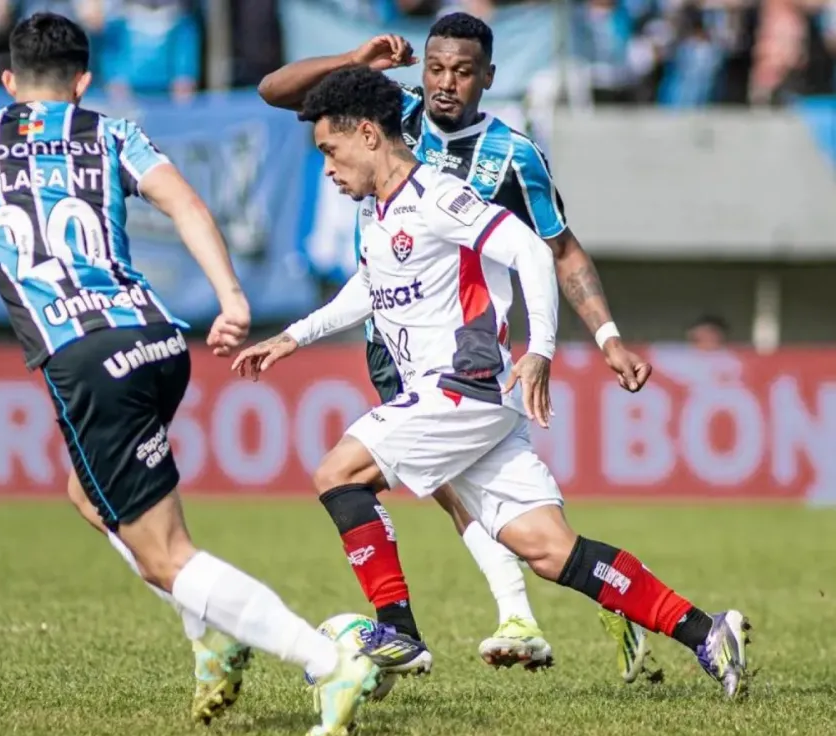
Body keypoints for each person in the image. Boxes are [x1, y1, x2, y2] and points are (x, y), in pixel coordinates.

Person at [0, 12, 412, 736]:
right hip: (158, 339)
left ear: (7, 81)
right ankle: (213, 633)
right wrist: (231, 297)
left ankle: (322, 658)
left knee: (166, 554)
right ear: (83, 81)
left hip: (87, 357)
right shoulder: (111, 131)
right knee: (87, 494)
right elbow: (184, 201)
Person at [234, 64, 752, 701]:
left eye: (330, 151)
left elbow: (533, 251)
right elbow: (371, 286)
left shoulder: (437, 197)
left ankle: (397, 631)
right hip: (473, 403)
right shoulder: (379, 210)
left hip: (460, 385)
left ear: (367, 135)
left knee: (337, 472)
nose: (329, 170)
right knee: (551, 550)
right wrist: (293, 337)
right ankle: (707, 631)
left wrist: (539, 351)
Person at [257, 11, 654, 681]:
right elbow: (276, 90)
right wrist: (353, 58)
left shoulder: (513, 155)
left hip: (462, 347)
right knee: (453, 488)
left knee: (440, 481)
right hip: (388, 329)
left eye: (463, 72)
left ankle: (506, 615)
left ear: (488, 78)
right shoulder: (388, 117)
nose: (445, 84)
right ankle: (564, 601)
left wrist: (606, 336)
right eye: (435, 69)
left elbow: (556, 247)